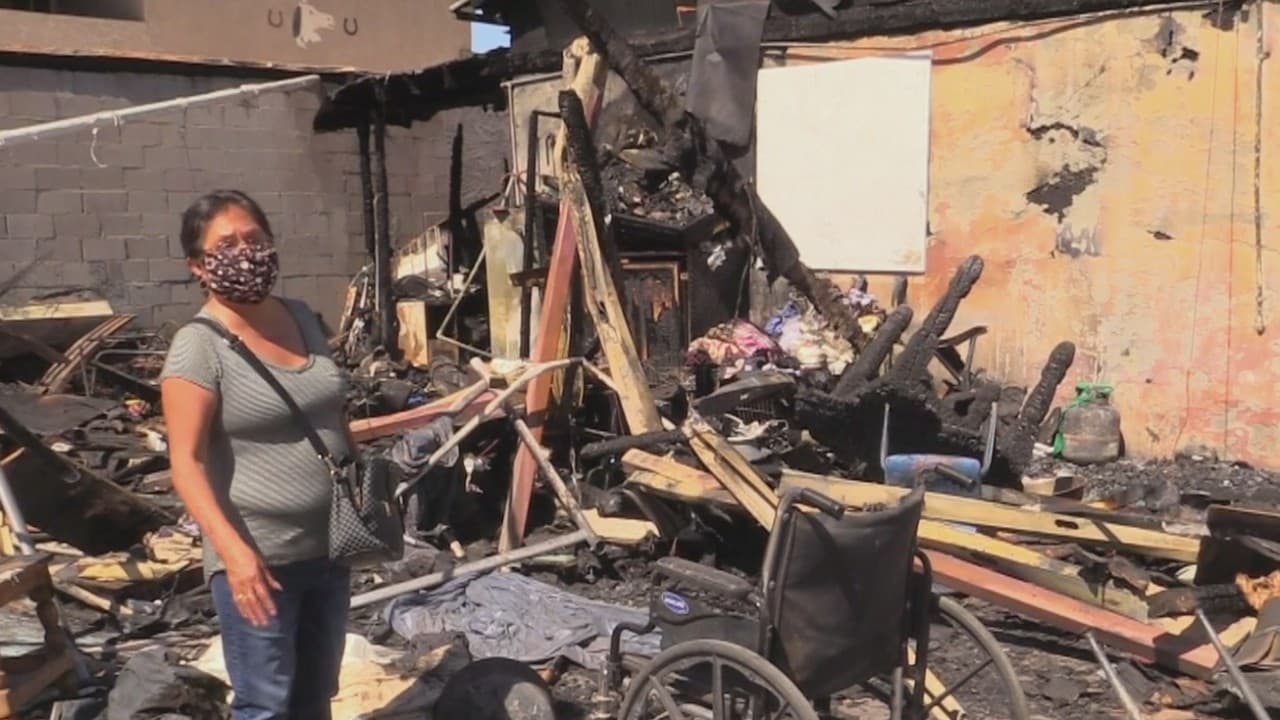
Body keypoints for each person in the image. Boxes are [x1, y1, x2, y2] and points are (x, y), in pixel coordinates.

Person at [160, 190, 353, 719]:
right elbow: (186, 463)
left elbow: (331, 414)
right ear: (198, 266)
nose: (245, 253)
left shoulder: (303, 319)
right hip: (258, 561)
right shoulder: (198, 346)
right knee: (265, 704)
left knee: (315, 694)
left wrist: (362, 493)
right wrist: (234, 556)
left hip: (330, 549)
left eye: (254, 238)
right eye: (226, 245)